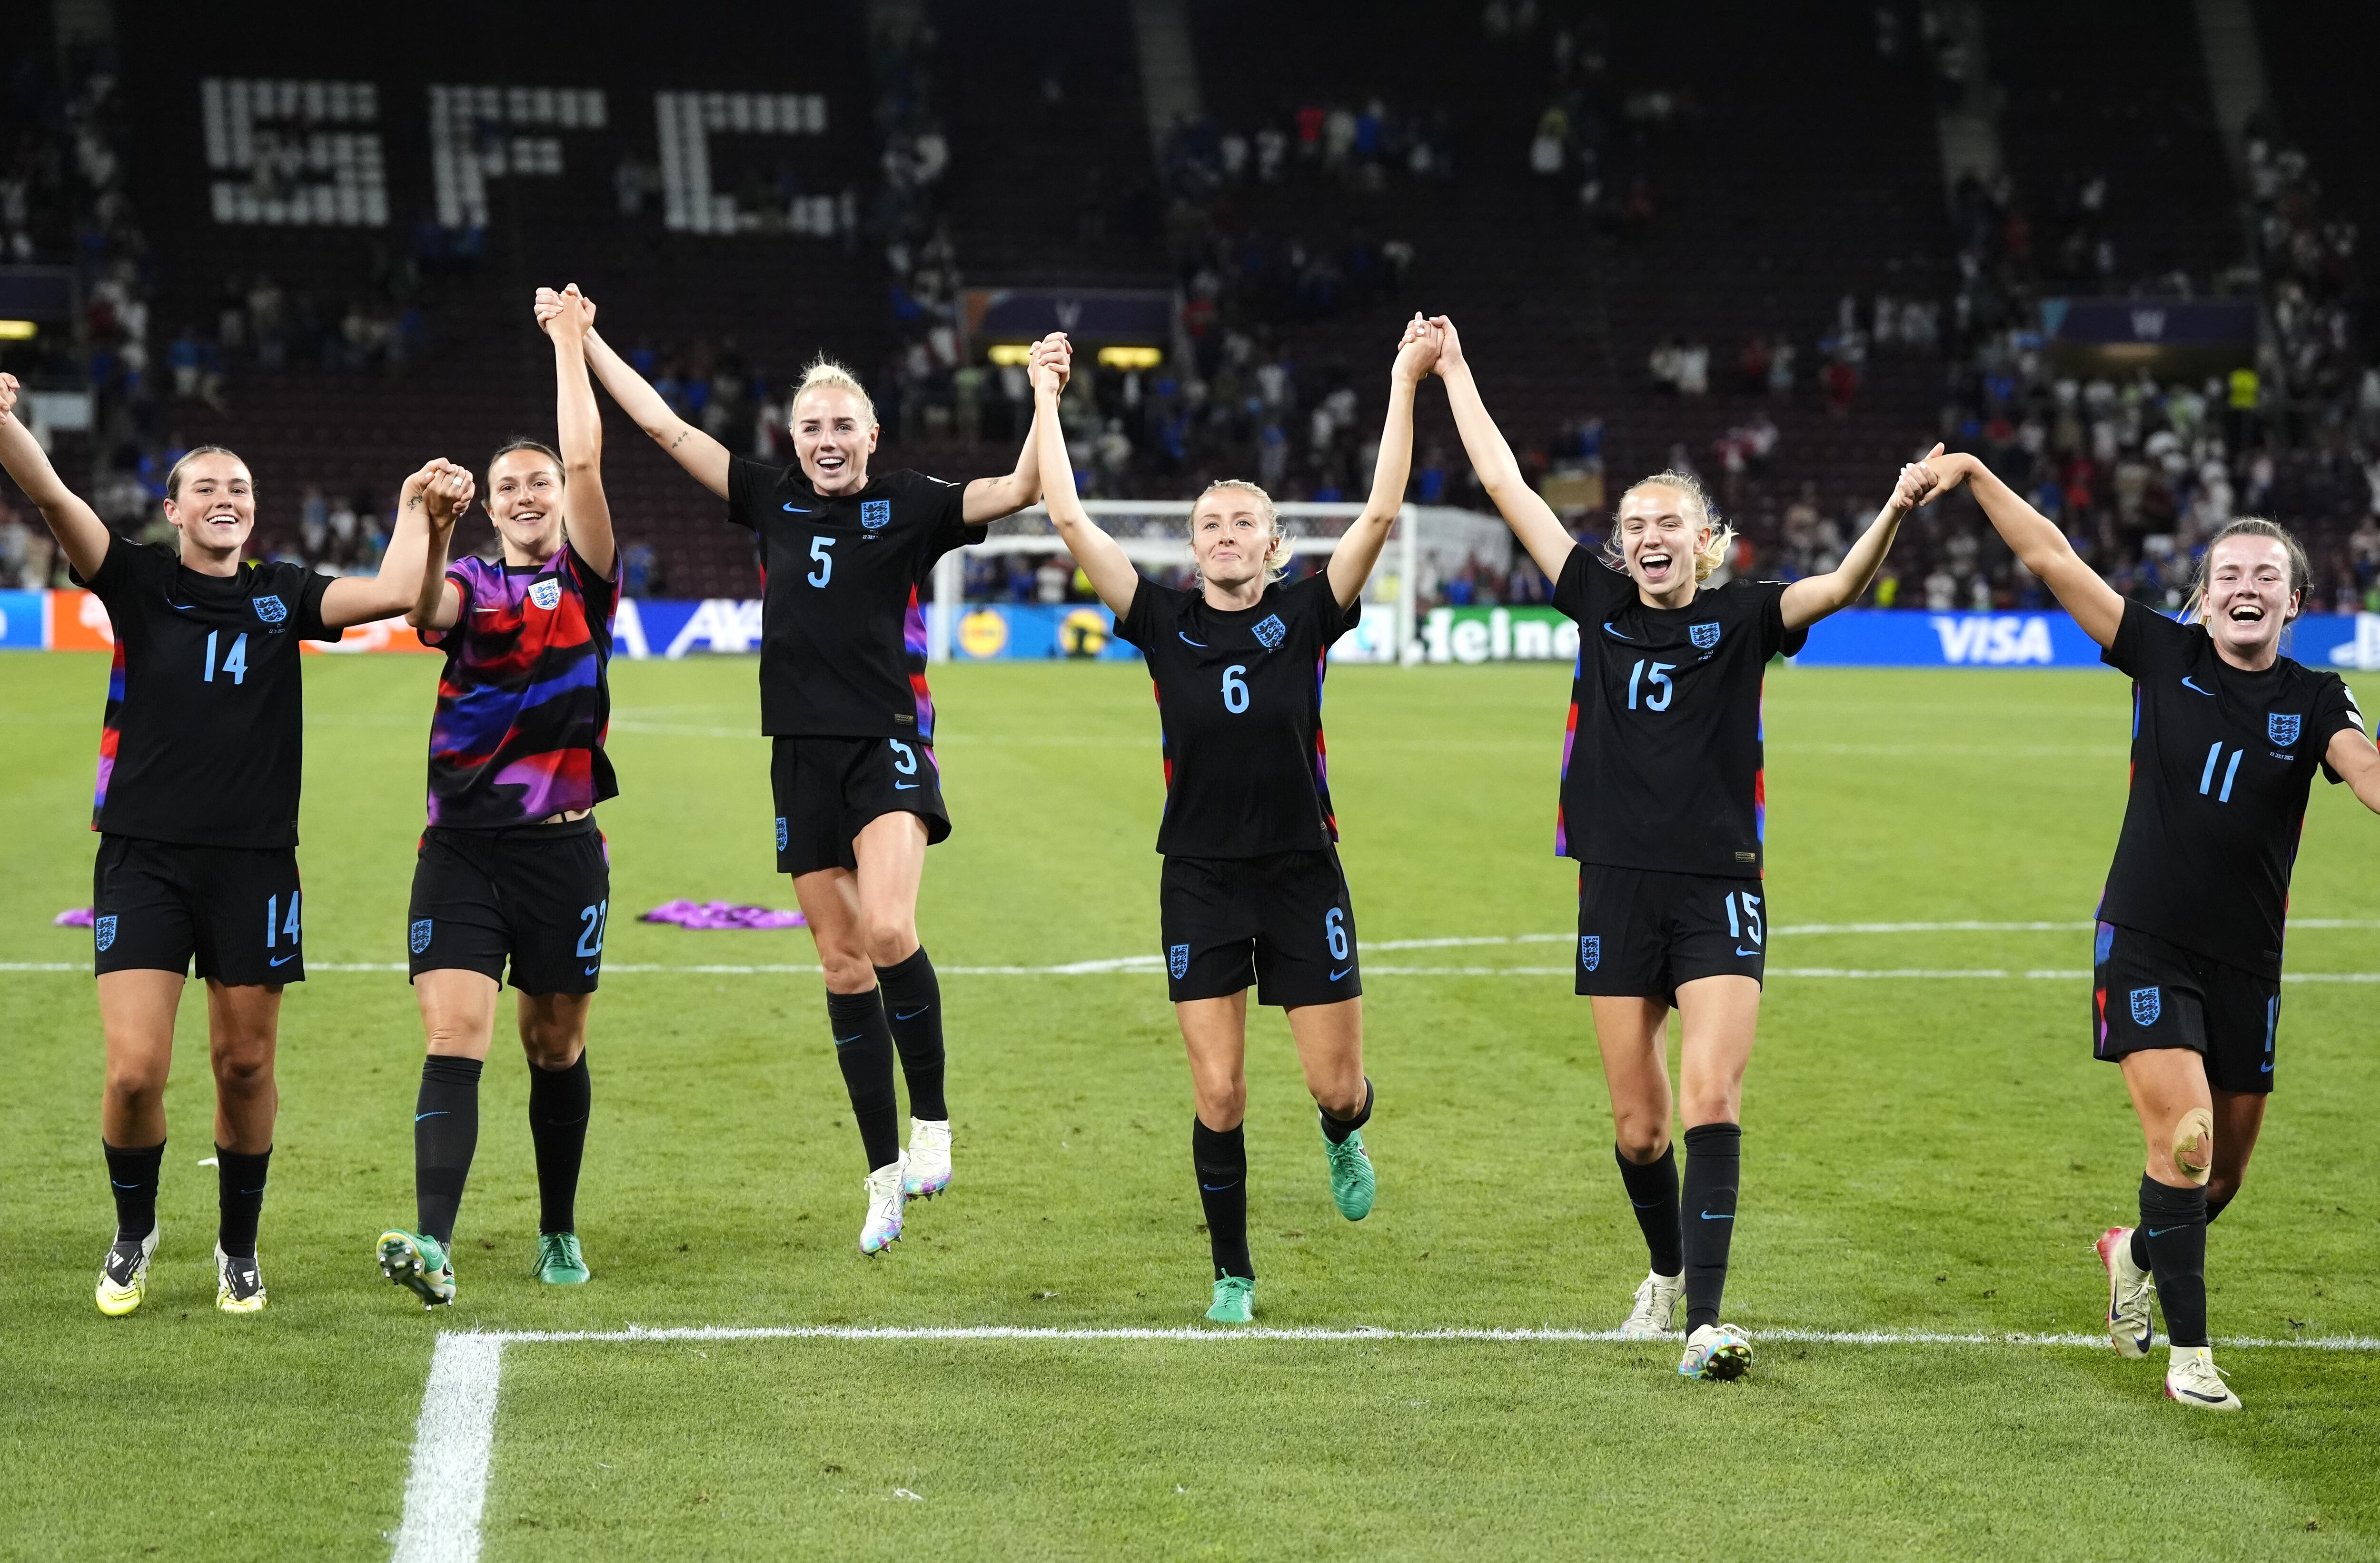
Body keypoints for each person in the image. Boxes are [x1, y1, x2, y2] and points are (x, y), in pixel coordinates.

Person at [1430, 315, 1934, 1380]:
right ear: (1621, 545)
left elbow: (1837, 590)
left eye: (1673, 521)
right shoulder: (1596, 601)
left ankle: (1705, 1318)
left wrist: (1891, 506)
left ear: (1710, 541)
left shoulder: (1748, 616)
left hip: (1719, 888)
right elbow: (1506, 481)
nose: (1653, 535)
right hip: (1615, 886)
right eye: (1636, 523)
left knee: (1711, 1095)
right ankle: (1664, 1274)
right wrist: (1459, 370)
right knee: (1638, 1125)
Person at [579, 308, 1065, 1253]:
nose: (828, 440)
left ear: (871, 438)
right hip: (796, 754)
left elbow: (1024, 485)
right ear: (790, 440)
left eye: (844, 426)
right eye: (813, 426)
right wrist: (588, 340)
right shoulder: (769, 497)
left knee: (887, 928)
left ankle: (932, 1123)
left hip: (884, 742)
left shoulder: (913, 503)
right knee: (841, 965)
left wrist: (1045, 393)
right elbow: (662, 427)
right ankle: (881, 1176)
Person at [1918, 455, 2380, 1411]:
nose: (2245, 588)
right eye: (2228, 575)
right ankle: (2190, 1355)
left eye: (2265, 578)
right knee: (2187, 1143)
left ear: (2293, 604)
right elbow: (2051, 557)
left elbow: (2369, 775)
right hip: (2145, 940)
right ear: (2201, 597)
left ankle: (2131, 1252)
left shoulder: (2318, 697)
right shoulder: (2159, 654)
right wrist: (1970, 472)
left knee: (2214, 1184)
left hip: (2247, 965)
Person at [0, 370, 460, 1317]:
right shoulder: (134, 579)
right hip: (142, 857)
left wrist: (419, 506)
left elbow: (398, 593)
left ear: (255, 513)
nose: (224, 499)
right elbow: (51, 494)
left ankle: (238, 1248)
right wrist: (3, 424)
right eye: (204, 487)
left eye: (239, 488)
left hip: (254, 864)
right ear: (171, 509)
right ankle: (134, 1233)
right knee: (134, 1070)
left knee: (245, 1064)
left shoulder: (281, 594)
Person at [1027, 318, 1435, 1323]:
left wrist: (1402, 380)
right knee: (1219, 1093)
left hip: (1303, 872)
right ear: (1192, 541)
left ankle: (1346, 1130)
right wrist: (1045, 397)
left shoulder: (1305, 612)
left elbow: (1382, 512)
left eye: (1241, 522)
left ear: (1272, 542)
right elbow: (1071, 518)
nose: (1222, 534)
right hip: (1201, 877)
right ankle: (1233, 1273)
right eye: (1208, 522)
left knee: (1336, 1086)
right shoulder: (1161, 620)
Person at [376, 285, 623, 1308]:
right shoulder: (469, 587)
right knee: (456, 1035)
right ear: (489, 501)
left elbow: (590, 459)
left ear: (558, 497)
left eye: (540, 483)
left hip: (564, 853)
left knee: (554, 1042)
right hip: (463, 850)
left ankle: (558, 1225)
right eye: (508, 486)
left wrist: (571, 343)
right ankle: (433, 1242)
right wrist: (431, 525)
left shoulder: (592, 578)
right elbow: (415, 601)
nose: (527, 495)